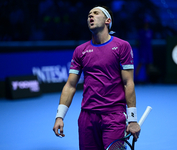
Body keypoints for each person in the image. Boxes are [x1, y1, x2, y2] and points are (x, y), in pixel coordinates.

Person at [53, 5, 140, 150]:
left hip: (114, 116)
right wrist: (59, 116)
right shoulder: (80, 51)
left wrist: (132, 119)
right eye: (89, 14)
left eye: (95, 13)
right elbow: (70, 86)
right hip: (87, 117)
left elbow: (128, 83)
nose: (90, 16)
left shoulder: (122, 46)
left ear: (108, 20)